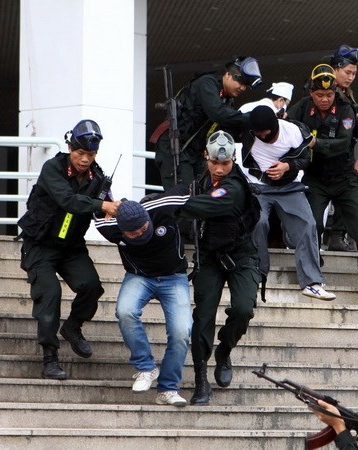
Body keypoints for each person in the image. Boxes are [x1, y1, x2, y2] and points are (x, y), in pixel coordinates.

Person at [16, 119, 121, 380]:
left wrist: (121, 213)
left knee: (92, 287)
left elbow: (107, 208)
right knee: (49, 293)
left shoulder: (97, 177)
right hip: (40, 244)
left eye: (91, 154)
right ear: (70, 148)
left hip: (71, 247)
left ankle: (73, 327)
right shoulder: (53, 168)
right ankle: (50, 358)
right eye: (80, 153)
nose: (85, 159)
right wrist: (102, 206)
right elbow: (68, 200)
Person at [175, 131, 261, 405]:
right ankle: (201, 379)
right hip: (209, 257)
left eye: (226, 163)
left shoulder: (234, 186)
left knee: (243, 309)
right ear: (206, 158)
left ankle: (225, 349)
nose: (221, 169)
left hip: (241, 255)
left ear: (234, 160)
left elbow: (210, 204)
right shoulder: (196, 184)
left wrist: (173, 203)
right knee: (202, 317)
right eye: (215, 163)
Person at [288, 64, 358, 294]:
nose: (324, 99)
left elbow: (342, 143)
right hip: (315, 176)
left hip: (343, 176)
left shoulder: (345, 109)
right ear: (311, 93)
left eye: (329, 95)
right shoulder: (301, 109)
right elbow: (286, 128)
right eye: (319, 95)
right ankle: (312, 264)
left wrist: (315, 143)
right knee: (312, 223)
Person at [94, 194, 192, 406]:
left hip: (174, 277)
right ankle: (146, 368)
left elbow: (185, 190)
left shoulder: (161, 210)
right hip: (139, 277)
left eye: (142, 228)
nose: (139, 233)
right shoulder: (110, 228)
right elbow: (94, 209)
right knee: (125, 311)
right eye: (132, 233)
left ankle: (167, 389)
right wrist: (106, 202)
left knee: (182, 331)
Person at [240, 104, 336, 301]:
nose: (262, 137)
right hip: (257, 186)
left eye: (266, 134)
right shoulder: (249, 131)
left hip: (289, 186)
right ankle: (257, 273)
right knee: (258, 221)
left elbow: (305, 159)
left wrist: (287, 166)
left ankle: (312, 283)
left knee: (307, 224)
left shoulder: (292, 131)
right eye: (257, 133)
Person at [152, 56, 262, 190]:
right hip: (174, 145)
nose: (243, 88)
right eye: (241, 82)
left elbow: (227, 127)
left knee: (203, 191)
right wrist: (252, 118)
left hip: (196, 152)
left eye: (246, 85)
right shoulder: (207, 83)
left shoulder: (227, 100)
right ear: (227, 75)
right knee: (182, 195)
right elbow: (218, 113)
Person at [325, 45, 358, 252]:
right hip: (323, 153)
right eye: (347, 72)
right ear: (335, 68)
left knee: (347, 196)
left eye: (354, 74)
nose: (350, 77)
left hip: (344, 155)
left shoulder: (347, 95)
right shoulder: (322, 86)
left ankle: (338, 236)